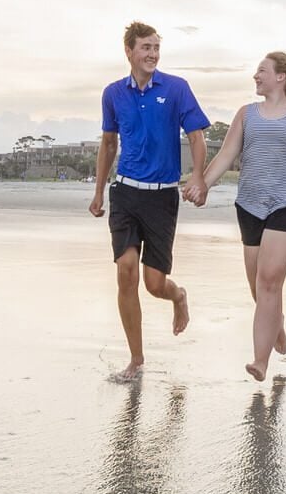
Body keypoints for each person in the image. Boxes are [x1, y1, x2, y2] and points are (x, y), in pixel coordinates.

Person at [186, 52, 286, 382]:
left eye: (261, 71)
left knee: (268, 281)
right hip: (250, 204)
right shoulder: (246, 114)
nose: (255, 76)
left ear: (282, 77)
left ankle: (260, 361)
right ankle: (275, 327)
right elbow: (227, 154)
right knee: (257, 287)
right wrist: (203, 185)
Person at [89, 20, 211, 381]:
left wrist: (198, 176)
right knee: (125, 272)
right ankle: (136, 360)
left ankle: (178, 297)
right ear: (129, 51)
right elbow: (109, 143)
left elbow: (197, 137)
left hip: (162, 197)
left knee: (154, 284)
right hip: (125, 192)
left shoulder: (176, 89)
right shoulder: (113, 93)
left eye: (156, 48)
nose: (153, 54)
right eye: (146, 48)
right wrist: (98, 191)